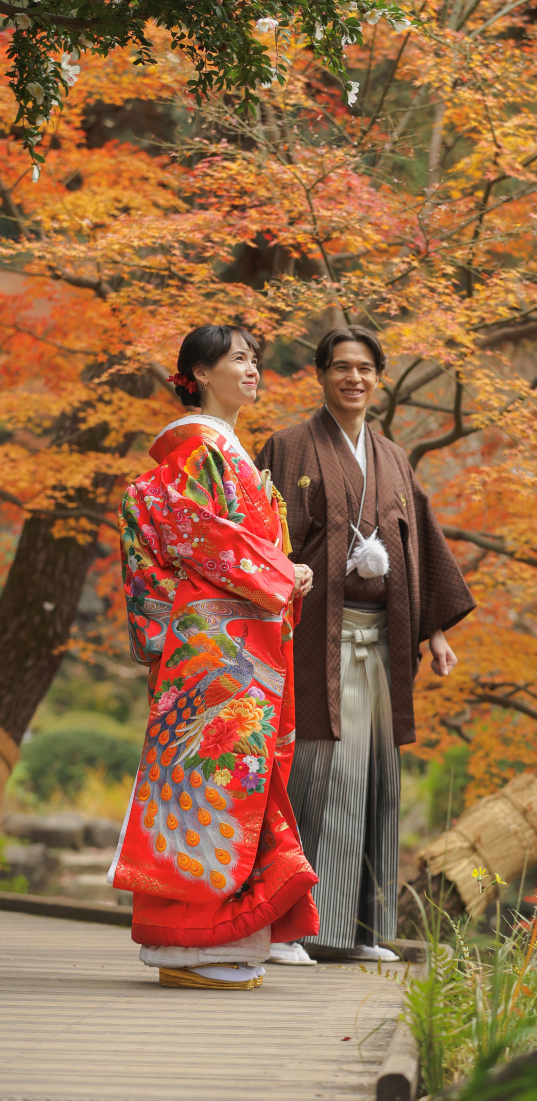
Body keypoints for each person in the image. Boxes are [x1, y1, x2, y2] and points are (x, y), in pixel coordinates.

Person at [257, 325, 475, 965]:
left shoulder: (394, 459)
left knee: (373, 776)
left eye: (366, 369)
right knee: (312, 771)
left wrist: (434, 631)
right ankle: (287, 926)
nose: (354, 379)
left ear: (378, 379)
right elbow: (263, 545)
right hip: (314, 640)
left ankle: (356, 930)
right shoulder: (289, 448)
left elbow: (418, 547)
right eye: (342, 367)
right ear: (321, 374)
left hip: (381, 643)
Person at [108, 325, 318, 989]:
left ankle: (220, 938)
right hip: (217, 644)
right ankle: (193, 943)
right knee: (219, 780)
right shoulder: (201, 449)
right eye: (238, 359)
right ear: (197, 374)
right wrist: (284, 574)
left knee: (235, 780)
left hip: (230, 639)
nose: (253, 369)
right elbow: (204, 540)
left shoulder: (223, 449)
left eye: (255, 359)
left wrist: (282, 575)